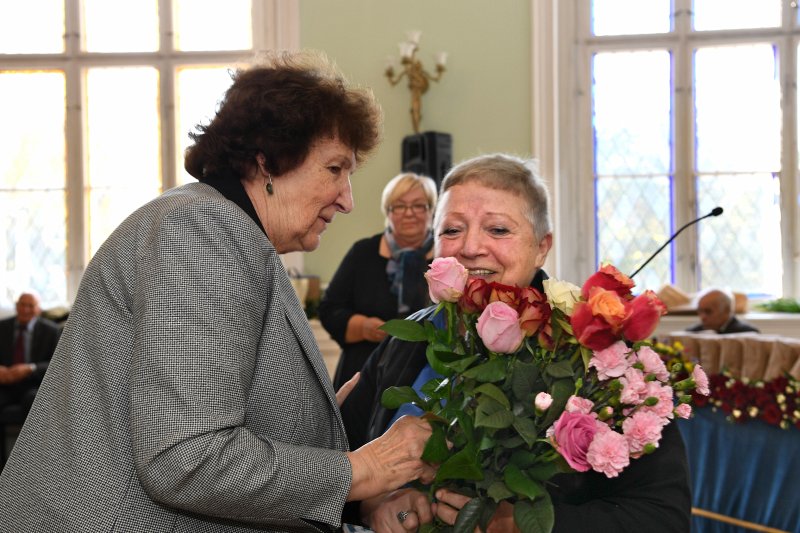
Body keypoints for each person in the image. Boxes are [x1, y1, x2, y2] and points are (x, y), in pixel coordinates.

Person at [0, 51, 437, 532]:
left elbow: (205, 401)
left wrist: (320, 419)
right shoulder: (202, 231)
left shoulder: (234, 235)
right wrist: (365, 469)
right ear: (268, 160)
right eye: (335, 169)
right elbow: (184, 457)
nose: (348, 200)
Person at [339, 153, 692, 532]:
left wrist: (524, 526)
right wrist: (374, 504)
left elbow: (662, 517)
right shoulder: (405, 342)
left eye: (498, 230)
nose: (470, 247)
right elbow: (333, 469)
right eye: (452, 230)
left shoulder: (596, 359)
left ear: (542, 246)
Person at [319, 172, 437, 390]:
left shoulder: (446, 259)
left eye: (419, 205)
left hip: (429, 377)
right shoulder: (363, 253)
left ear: (431, 210)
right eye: (399, 206)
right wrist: (363, 328)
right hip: (363, 376)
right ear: (388, 212)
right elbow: (329, 310)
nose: (409, 213)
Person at [0, 292, 61, 413]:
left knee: (34, 400)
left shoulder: (51, 331)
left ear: (39, 309)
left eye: (31, 306)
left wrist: (30, 368)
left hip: (34, 383)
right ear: (16, 306)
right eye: (22, 305)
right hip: (5, 383)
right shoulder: (2, 327)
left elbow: (58, 363)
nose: (25, 310)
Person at [687, 288, 760, 334]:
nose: (702, 317)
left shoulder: (748, 334)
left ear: (726, 310)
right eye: (700, 311)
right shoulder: (691, 334)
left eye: (708, 311)